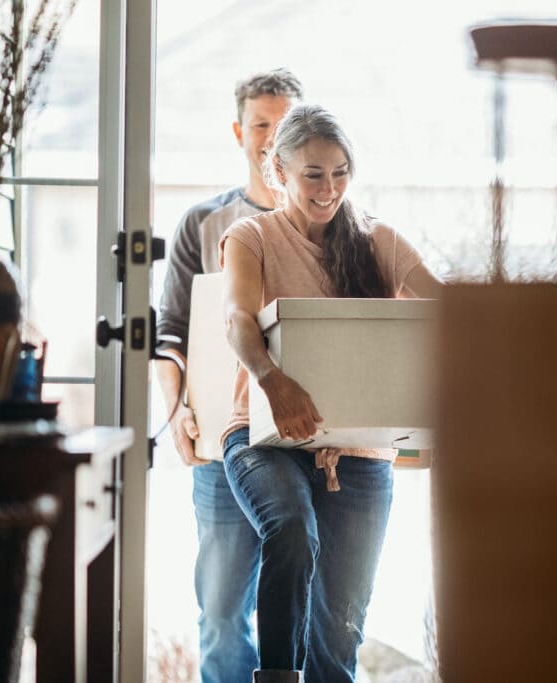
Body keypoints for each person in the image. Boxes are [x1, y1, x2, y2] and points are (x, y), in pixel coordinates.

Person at [218, 104, 443, 683]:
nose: (329, 188)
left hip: (361, 453)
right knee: (291, 527)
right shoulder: (252, 236)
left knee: (339, 634)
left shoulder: (378, 241)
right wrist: (274, 380)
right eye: (313, 174)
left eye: (340, 172)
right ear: (280, 173)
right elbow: (237, 319)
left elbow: (446, 312)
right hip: (263, 437)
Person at [154, 68, 303, 683]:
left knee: (304, 610)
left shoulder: (327, 224)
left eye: (283, 124)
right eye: (260, 124)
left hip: (304, 445)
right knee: (220, 612)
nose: (271, 138)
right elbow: (169, 335)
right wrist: (178, 410)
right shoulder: (202, 224)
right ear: (239, 132)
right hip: (220, 446)